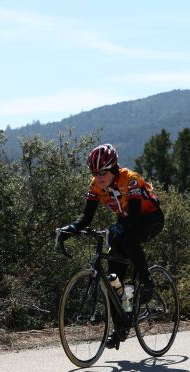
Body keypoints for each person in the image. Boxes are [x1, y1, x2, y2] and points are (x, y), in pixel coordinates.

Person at [57, 143, 164, 349]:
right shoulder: (96, 186)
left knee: (126, 238)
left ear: (114, 168)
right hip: (127, 222)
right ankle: (122, 326)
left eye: (103, 172)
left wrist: (117, 229)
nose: (99, 177)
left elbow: (133, 214)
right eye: (95, 173)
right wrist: (70, 229)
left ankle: (147, 280)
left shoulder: (130, 179)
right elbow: (86, 216)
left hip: (150, 218)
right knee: (114, 279)